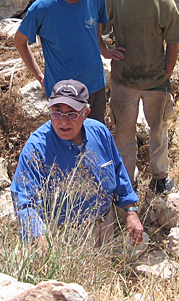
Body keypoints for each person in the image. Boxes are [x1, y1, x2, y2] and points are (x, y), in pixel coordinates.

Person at [10, 79, 143, 247]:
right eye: (56, 112)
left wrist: (131, 210)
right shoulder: (36, 148)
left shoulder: (99, 132)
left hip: (104, 223)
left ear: (85, 113)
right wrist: (39, 238)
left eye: (71, 113)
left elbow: (117, 170)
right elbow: (24, 200)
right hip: (63, 235)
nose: (63, 121)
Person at [103, 0, 179, 193]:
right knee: (123, 134)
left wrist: (166, 76)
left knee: (158, 129)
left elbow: (174, 42)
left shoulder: (164, 3)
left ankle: (160, 178)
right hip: (123, 81)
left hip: (156, 83)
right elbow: (94, 26)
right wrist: (103, 50)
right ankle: (127, 183)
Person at [14, 0, 122, 123]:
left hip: (95, 86)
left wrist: (103, 49)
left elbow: (95, 25)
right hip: (64, 95)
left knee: (94, 139)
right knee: (68, 145)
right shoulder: (43, 7)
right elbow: (19, 41)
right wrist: (40, 76)